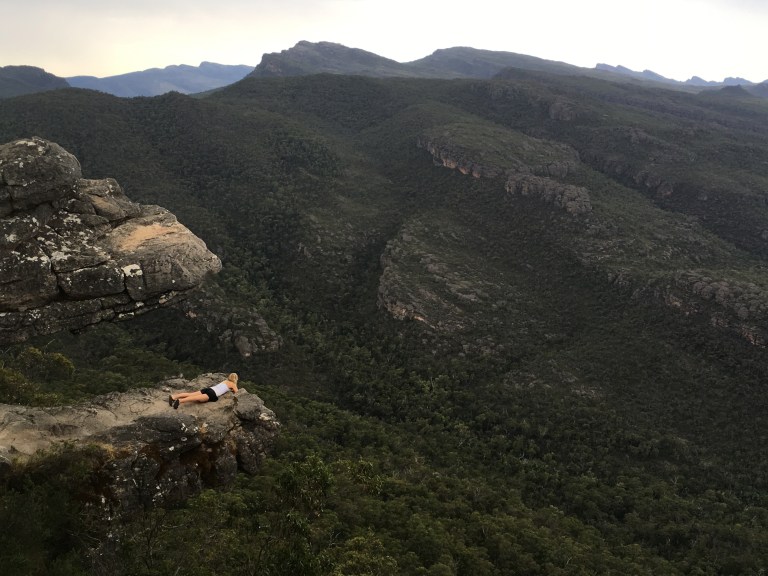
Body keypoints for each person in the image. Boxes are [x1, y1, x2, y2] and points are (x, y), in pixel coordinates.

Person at [169, 373, 238, 409]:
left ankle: (174, 396)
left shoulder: (225, 381)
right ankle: (180, 401)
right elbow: (237, 392)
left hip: (209, 389)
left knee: (191, 394)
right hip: (212, 393)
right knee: (195, 398)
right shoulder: (233, 384)